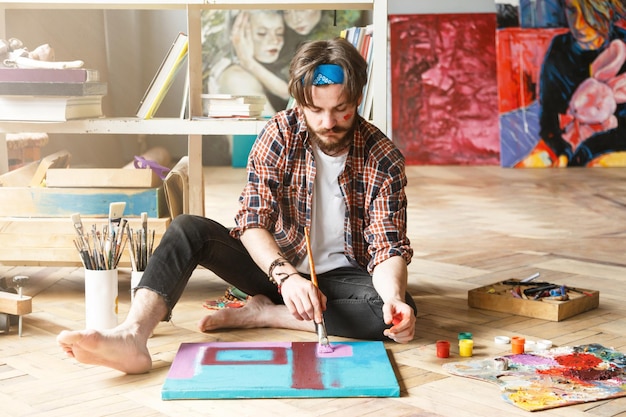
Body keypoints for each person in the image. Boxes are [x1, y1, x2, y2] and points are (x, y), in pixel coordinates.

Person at [57, 37, 418, 375]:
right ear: (299, 102)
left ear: (357, 99)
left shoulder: (383, 157)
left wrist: (393, 299)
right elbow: (252, 221)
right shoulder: (279, 134)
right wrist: (287, 276)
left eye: (341, 110)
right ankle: (132, 336)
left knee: (391, 314)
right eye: (315, 110)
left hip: (339, 279)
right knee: (187, 228)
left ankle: (265, 314)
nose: (327, 123)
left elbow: (387, 246)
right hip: (274, 267)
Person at [519, 0, 626, 167]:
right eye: (571, 10)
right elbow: (549, 120)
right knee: (529, 165)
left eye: (589, 13)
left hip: (611, 150)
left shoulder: (622, 48)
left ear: (608, 11)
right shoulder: (559, 49)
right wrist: (563, 152)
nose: (578, 24)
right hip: (569, 145)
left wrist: (585, 153)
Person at [217, 10, 289, 114]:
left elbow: (290, 94)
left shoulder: (276, 68)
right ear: (238, 35)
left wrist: (249, 63)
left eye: (279, 33)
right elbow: (270, 128)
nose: (275, 40)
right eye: (262, 33)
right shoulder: (237, 78)